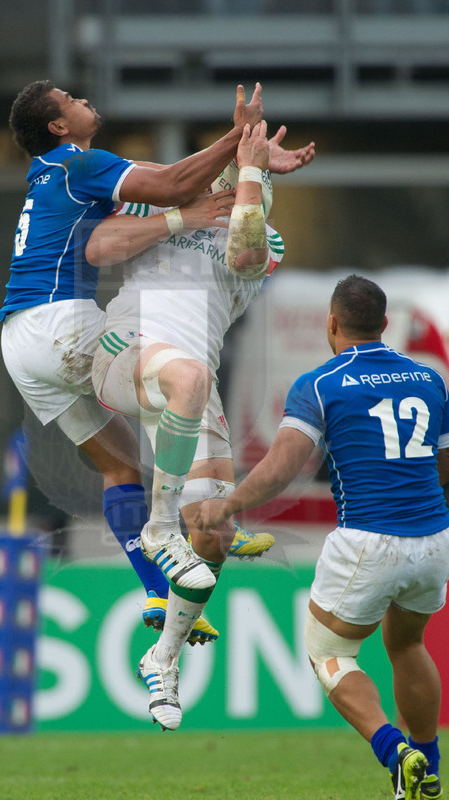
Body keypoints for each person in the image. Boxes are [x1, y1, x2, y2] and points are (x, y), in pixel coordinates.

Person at [0, 79, 314, 643]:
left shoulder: (60, 174)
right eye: (70, 99)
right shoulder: (80, 164)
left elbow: (181, 188)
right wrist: (238, 141)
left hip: (20, 341)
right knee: (167, 382)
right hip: (61, 323)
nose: (83, 98)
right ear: (58, 126)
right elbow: (170, 184)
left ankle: (154, 589)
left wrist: (253, 168)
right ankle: (184, 519)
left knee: (121, 469)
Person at [195, 275, 449, 800]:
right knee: (407, 643)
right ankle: (430, 767)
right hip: (433, 537)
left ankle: (394, 751)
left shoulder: (320, 383)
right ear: (384, 325)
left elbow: (283, 466)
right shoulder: (430, 380)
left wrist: (228, 503)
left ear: (330, 323)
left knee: (327, 651)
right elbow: (442, 463)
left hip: (368, 539)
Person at [89, 119, 283, 730]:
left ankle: (163, 660)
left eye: (246, 180)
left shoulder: (264, 242)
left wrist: (251, 171)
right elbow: (102, 245)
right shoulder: (161, 204)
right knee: (187, 380)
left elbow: (248, 251)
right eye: (229, 173)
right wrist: (185, 212)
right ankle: (158, 527)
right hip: (128, 348)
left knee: (215, 535)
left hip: (192, 385)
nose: (229, 184)